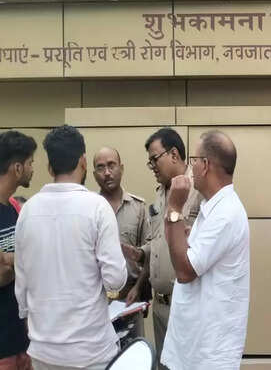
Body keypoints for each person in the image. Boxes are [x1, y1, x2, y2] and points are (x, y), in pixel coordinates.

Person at [15, 125, 127, 370]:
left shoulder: (27, 211)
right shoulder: (97, 207)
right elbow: (115, 280)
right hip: (91, 352)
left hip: (43, 352)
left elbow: (21, 287)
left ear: (50, 168)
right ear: (83, 162)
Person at [160, 130, 250, 370]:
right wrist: (177, 223)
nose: (191, 168)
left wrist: (175, 206)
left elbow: (185, 272)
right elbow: (180, 249)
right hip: (196, 344)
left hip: (209, 352)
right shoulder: (211, 207)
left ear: (206, 165)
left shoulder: (225, 213)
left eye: (194, 160)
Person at [121, 127, 203, 370]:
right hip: (160, 306)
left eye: (154, 159)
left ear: (174, 154)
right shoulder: (160, 193)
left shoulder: (198, 190)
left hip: (188, 304)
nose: (152, 167)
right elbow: (158, 242)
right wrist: (141, 253)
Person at [92, 147, 151, 308]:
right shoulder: (89, 210)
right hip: (97, 301)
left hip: (130, 300)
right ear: (94, 174)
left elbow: (149, 254)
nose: (107, 172)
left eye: (111, 165)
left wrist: (138, 288)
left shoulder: (138, 208)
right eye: (100, 167)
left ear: (121, 168)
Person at [0, 131, 35, 370]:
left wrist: (9, 260)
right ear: (17, 168)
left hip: (21, 341)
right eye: (30, 163)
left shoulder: (14, 207)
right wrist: (23, 261)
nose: (33, 169)